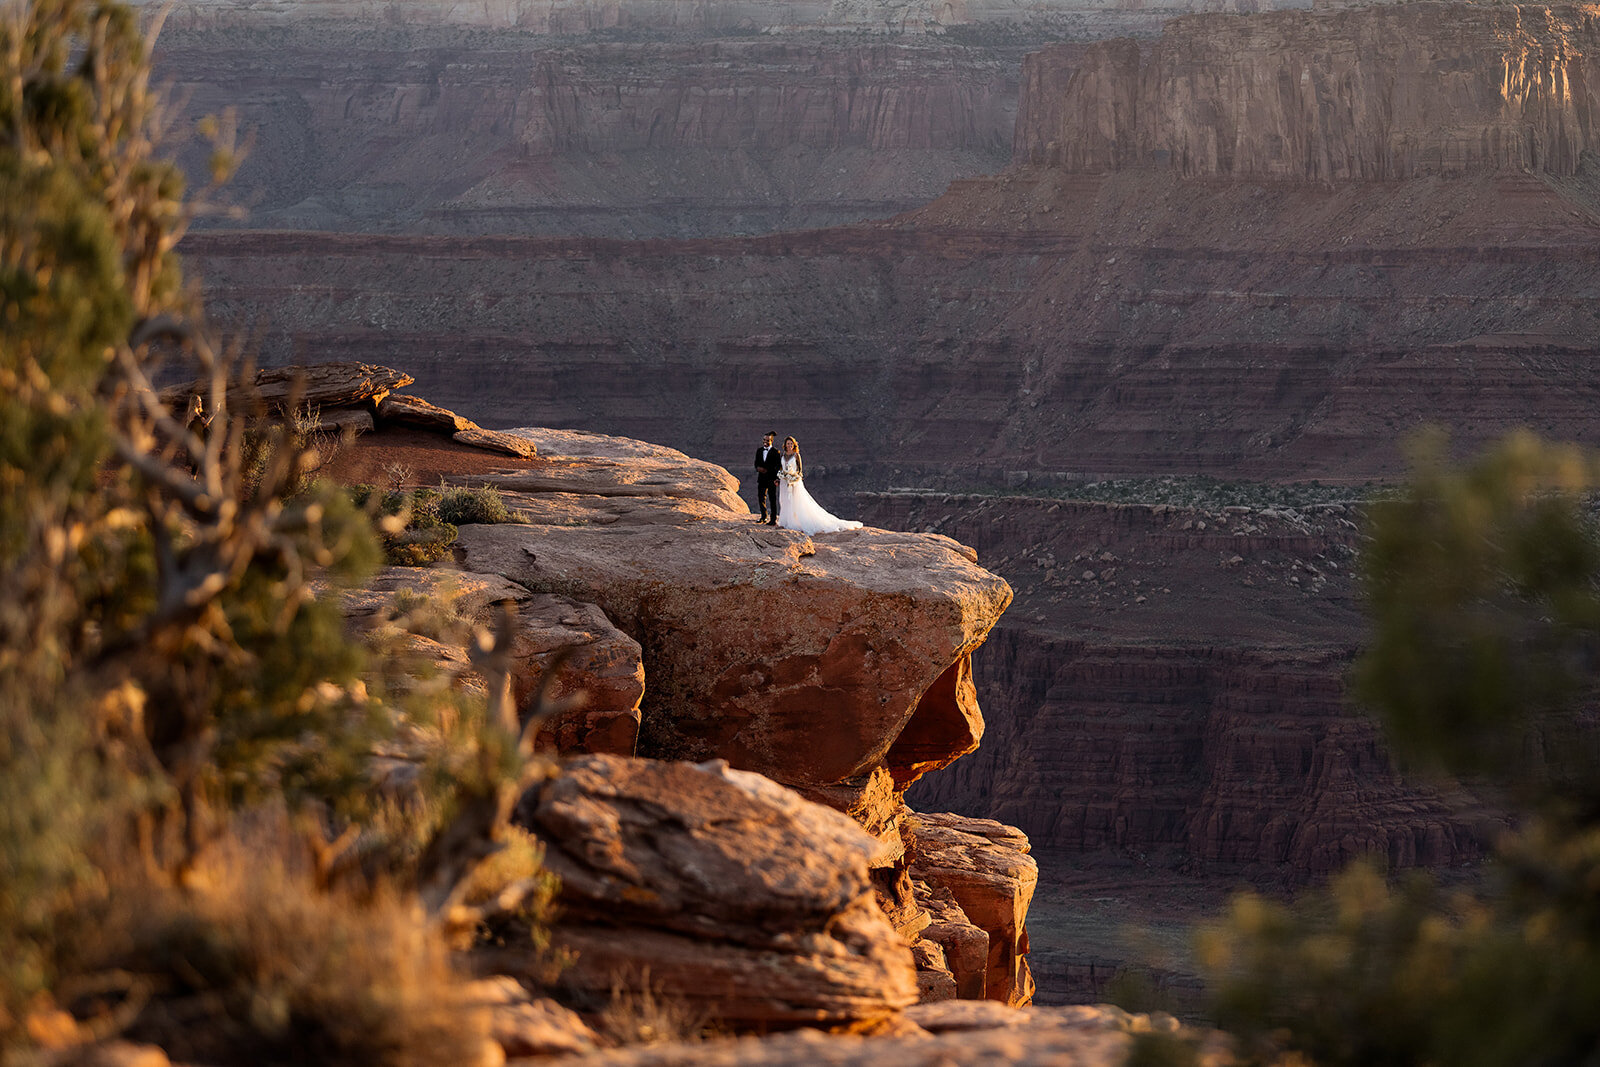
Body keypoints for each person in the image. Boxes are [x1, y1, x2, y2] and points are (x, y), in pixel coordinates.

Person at [777, 436, 862, 534]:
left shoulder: (796, 455)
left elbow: (800, 471)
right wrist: (783, 476)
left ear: (794, 445)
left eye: (791, 444)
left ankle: (794, 523)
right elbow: (781, 468)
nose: (790, 445)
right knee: (785, 500)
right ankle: (786, 521)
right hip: (784, 482)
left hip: (795, 483)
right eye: (788, 443)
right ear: (785, 445)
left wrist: (794, 478)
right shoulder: (783, 455)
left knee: (795, 501)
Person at [753, 430, 781, 525]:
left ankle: (773, 520)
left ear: (771, 441)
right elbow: (756, 463)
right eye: (764, 440)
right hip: (761, 479)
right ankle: (763, 516)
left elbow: (778, 466)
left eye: (767, 440)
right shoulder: (759, 450)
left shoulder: (776, 452)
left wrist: (768, 471)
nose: (765, 442)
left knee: (772, 499)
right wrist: (758, 468)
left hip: (771, 479)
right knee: (761, 498)